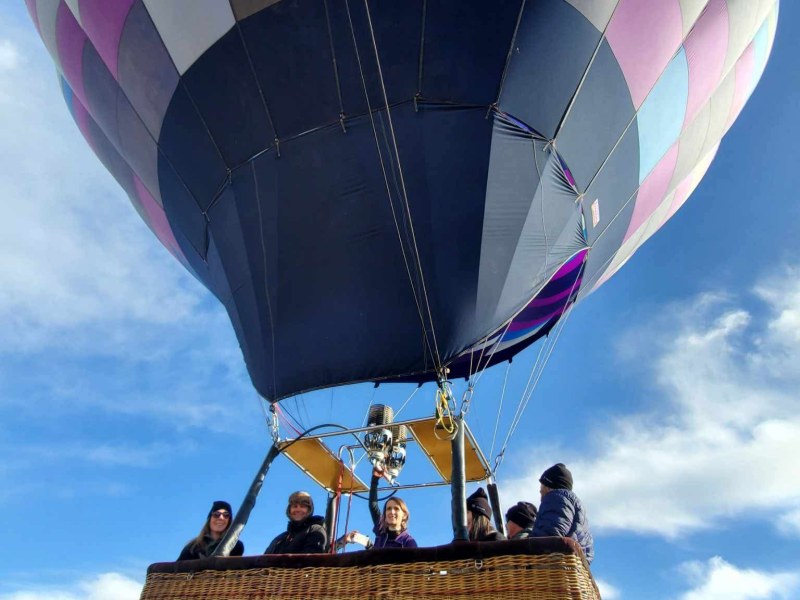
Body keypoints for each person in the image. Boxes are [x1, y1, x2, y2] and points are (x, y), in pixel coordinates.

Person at [531, 463, 594, 563]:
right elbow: (588, 554)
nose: (541, 498)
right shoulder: (578, 508)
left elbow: (548, 536)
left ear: (549, 487)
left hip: (552, 567)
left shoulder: (555, 499)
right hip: (574, 569)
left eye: (541, 492)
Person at [340, 470, 417, 549]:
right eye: (388, 509)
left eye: (396, 508)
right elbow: (373, 506)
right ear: (385, 515)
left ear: (404, 515)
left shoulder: (408, 542)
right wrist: (375, 479)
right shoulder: (381, 531)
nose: (392, 512)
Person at [178, 500, 244, 560]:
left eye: (226, 515)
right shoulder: (192, 547)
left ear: (229, 521)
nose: (221, 518)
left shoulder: (236, 546)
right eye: (216, 514)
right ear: (210, 519)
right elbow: (177, 570)